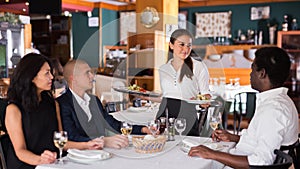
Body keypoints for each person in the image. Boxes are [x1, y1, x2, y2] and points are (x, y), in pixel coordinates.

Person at [188, 47, 299, 168]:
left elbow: (260, 162)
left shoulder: (273, 110)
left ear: (262, 74)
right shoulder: (281, 101)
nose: (250, 74)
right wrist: (233, 137)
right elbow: (263, 140)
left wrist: (212, 154)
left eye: (253, 69)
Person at [5, 53, 103, 169]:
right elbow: (20, 151)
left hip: (52, 162)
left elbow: (62, 141)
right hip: (27, 165)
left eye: (51, 72)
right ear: (31, 77)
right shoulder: (14, 110)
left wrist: (87, 145)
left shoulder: (52, 103)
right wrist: (41, 160)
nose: (52, 77)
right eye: (47, 73)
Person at [57, 59, 151, 149]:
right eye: (87, 73)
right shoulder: (62, 104)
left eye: (91, 72)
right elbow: (72, 137)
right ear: (73, 78)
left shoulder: (94, 100)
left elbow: (113, 124)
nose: (92, 77)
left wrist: (142, 129)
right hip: (77, 158)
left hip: (101, 154)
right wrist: (104, 141)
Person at [155, 29, 211, 136]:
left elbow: (205, 93)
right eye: (181, 45)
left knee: (187, 149)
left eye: (189, 45)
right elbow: (166, 95)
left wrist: (205, 101)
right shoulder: (163, 69)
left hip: (187, 115)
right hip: (164, 115)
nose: (186, 49)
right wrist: (145, 97)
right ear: (171, 45)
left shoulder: (199, 66)